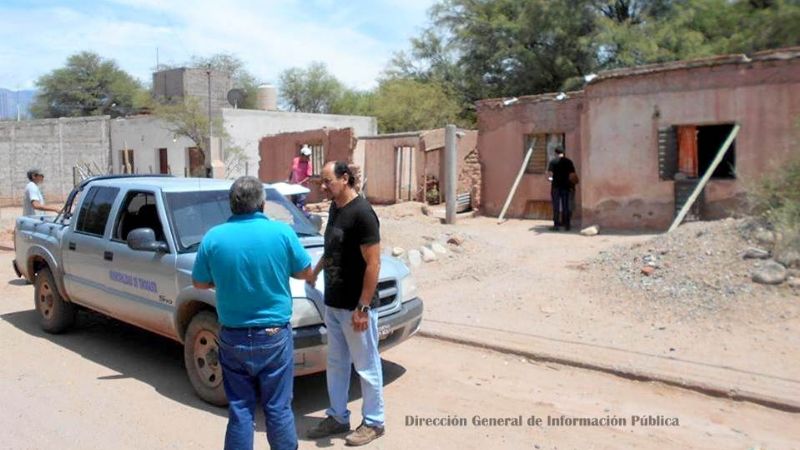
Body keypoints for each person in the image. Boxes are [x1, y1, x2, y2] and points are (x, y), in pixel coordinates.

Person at [192, 176, 313, 450]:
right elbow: (305, 272)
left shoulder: (214, 237)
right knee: (278, 408)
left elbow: (199, 282)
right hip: (273, 336)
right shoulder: (282, 233)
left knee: (240, 410)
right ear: (262, 203)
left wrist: (222, 280)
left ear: (231, 204)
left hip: (233, 337)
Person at [306, 161, 385, 447]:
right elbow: (332, 249)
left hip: (356, 308)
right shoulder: (336, 208)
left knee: (366, 366)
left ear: (345, 178)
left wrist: (363, 307)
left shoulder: (363, 213)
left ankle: (374, 422)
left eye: (328, 182)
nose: (323, 187)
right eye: (322, 183)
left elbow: (374, 264)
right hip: (334, 304)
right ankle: (338, 416)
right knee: (337, 364)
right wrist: (313, 273)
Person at [546, 147, 577, 231]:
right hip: (566, 187)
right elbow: (572, 174)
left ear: (556, 153)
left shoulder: (553, 162)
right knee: (565, 206)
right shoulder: (569, 162)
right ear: (564, 152)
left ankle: (556, 225)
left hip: (556, 187)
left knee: (556, 206)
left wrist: (550, 179)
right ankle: (567, 225)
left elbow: (549, 175)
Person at [288, 145, 313, 216]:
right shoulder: (295, 160)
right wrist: (290, 178)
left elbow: (309, 177)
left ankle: (302, 219)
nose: (308, 158)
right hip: (294, 186)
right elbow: (292, 171)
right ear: (302, 155)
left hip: (302, 188)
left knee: (300, 205)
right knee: (293, 205)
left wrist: (300, 183)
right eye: (307, 156)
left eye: (309, 156)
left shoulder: (309, 164)